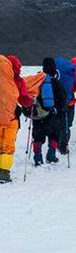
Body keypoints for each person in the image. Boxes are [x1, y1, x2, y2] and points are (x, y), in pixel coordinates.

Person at [0, 55, 33, 183]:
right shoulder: (18, 81)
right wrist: (31, 101)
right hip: (11, 119)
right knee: (7, 147)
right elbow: (24, 101)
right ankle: (4, 174)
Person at [32, 58, 66, 166]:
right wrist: (60, 109)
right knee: (54, 135)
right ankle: (51, 156)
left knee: (37, 136)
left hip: (38, 114)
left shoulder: (37, 81)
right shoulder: (56, 83)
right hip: (52, 114)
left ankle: (37, 158)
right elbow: (63, 99)